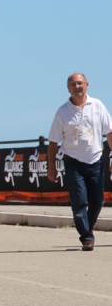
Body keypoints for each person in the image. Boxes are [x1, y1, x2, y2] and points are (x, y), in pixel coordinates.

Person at [47, 73, 112, 251]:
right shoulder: (63, 111)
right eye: (72, 84)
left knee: (98, 201)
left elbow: (110, 133)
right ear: (68, 88)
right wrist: (51, 168)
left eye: (80, 83)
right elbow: (53, 143)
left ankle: (87, 228)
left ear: (87, 85)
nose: (77, 87)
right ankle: (87, 237)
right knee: (79, 201)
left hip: (95, 160)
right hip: (73, 162)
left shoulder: (97, 105)